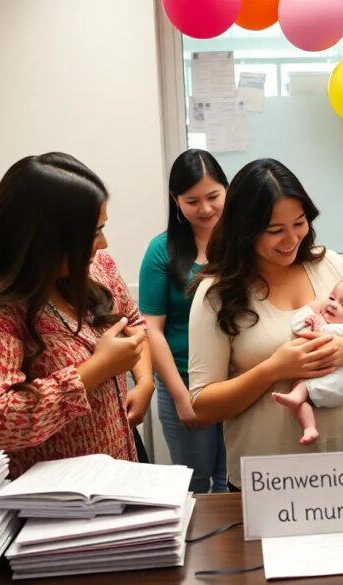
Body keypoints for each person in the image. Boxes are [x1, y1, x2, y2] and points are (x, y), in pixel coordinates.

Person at [0, 152, 154, 478]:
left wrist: (144, 380)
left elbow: (133, 322)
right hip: (37, 498)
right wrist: (98, 368)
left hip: (105, 481)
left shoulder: (94, 267)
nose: (103, 244)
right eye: (92, 233)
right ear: (46, 239)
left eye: (102, 228)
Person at [187, 158, 343, 489]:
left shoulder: (330, 266)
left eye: (299, 223)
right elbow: (202, 406)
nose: (291, 239)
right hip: (268, 480)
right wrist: (274, 369)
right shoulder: (217, 293)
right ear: (244, 230)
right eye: (275, 231)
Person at [139, 149, 228, 493]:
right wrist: (179, 396)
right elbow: (152, 330)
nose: (205, 209)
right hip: (183, 380)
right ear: (175, 200)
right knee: (194, 483)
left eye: (213, 196)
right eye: (192, 201)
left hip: (238, 379)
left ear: (227, 190)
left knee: (234, 479)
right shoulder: (161, 250)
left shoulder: (243, 245)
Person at [272, 278, 343, 446]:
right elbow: (298, 327)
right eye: (331, 298)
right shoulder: (325, 319)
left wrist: (318, 324)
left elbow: (327, 336)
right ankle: (309, 428)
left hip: (341, 378)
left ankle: (300, 399)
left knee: (302, 388)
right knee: (299, 392)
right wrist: (311, 310)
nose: (333, 305)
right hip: (323, 375)